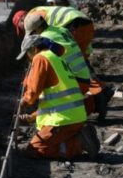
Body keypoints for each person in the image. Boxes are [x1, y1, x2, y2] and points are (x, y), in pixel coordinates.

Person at [13, 0, 115, 121]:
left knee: (54, 93)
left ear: (23, 20)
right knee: (70, 72)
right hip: (84, 24)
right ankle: (96, 97)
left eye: (25, 29)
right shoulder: (58, 30)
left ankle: (96, 95)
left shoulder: (40, 27)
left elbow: (42, 62)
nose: (26, 32)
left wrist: (30, 90)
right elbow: (65, 53)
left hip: (75, 29)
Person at [16, 29, 100, 160]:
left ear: (33, 49)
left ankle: (79, 143)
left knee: (35, 149)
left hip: (64, 120)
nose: (28, 59)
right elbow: (57, 100)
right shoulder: (56, 58)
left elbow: (33, 92)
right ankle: (77, 136)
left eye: (27, 54)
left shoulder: (40, 58)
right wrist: (33, 116)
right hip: (72, 116)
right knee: (43, 144)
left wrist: (23, 102)